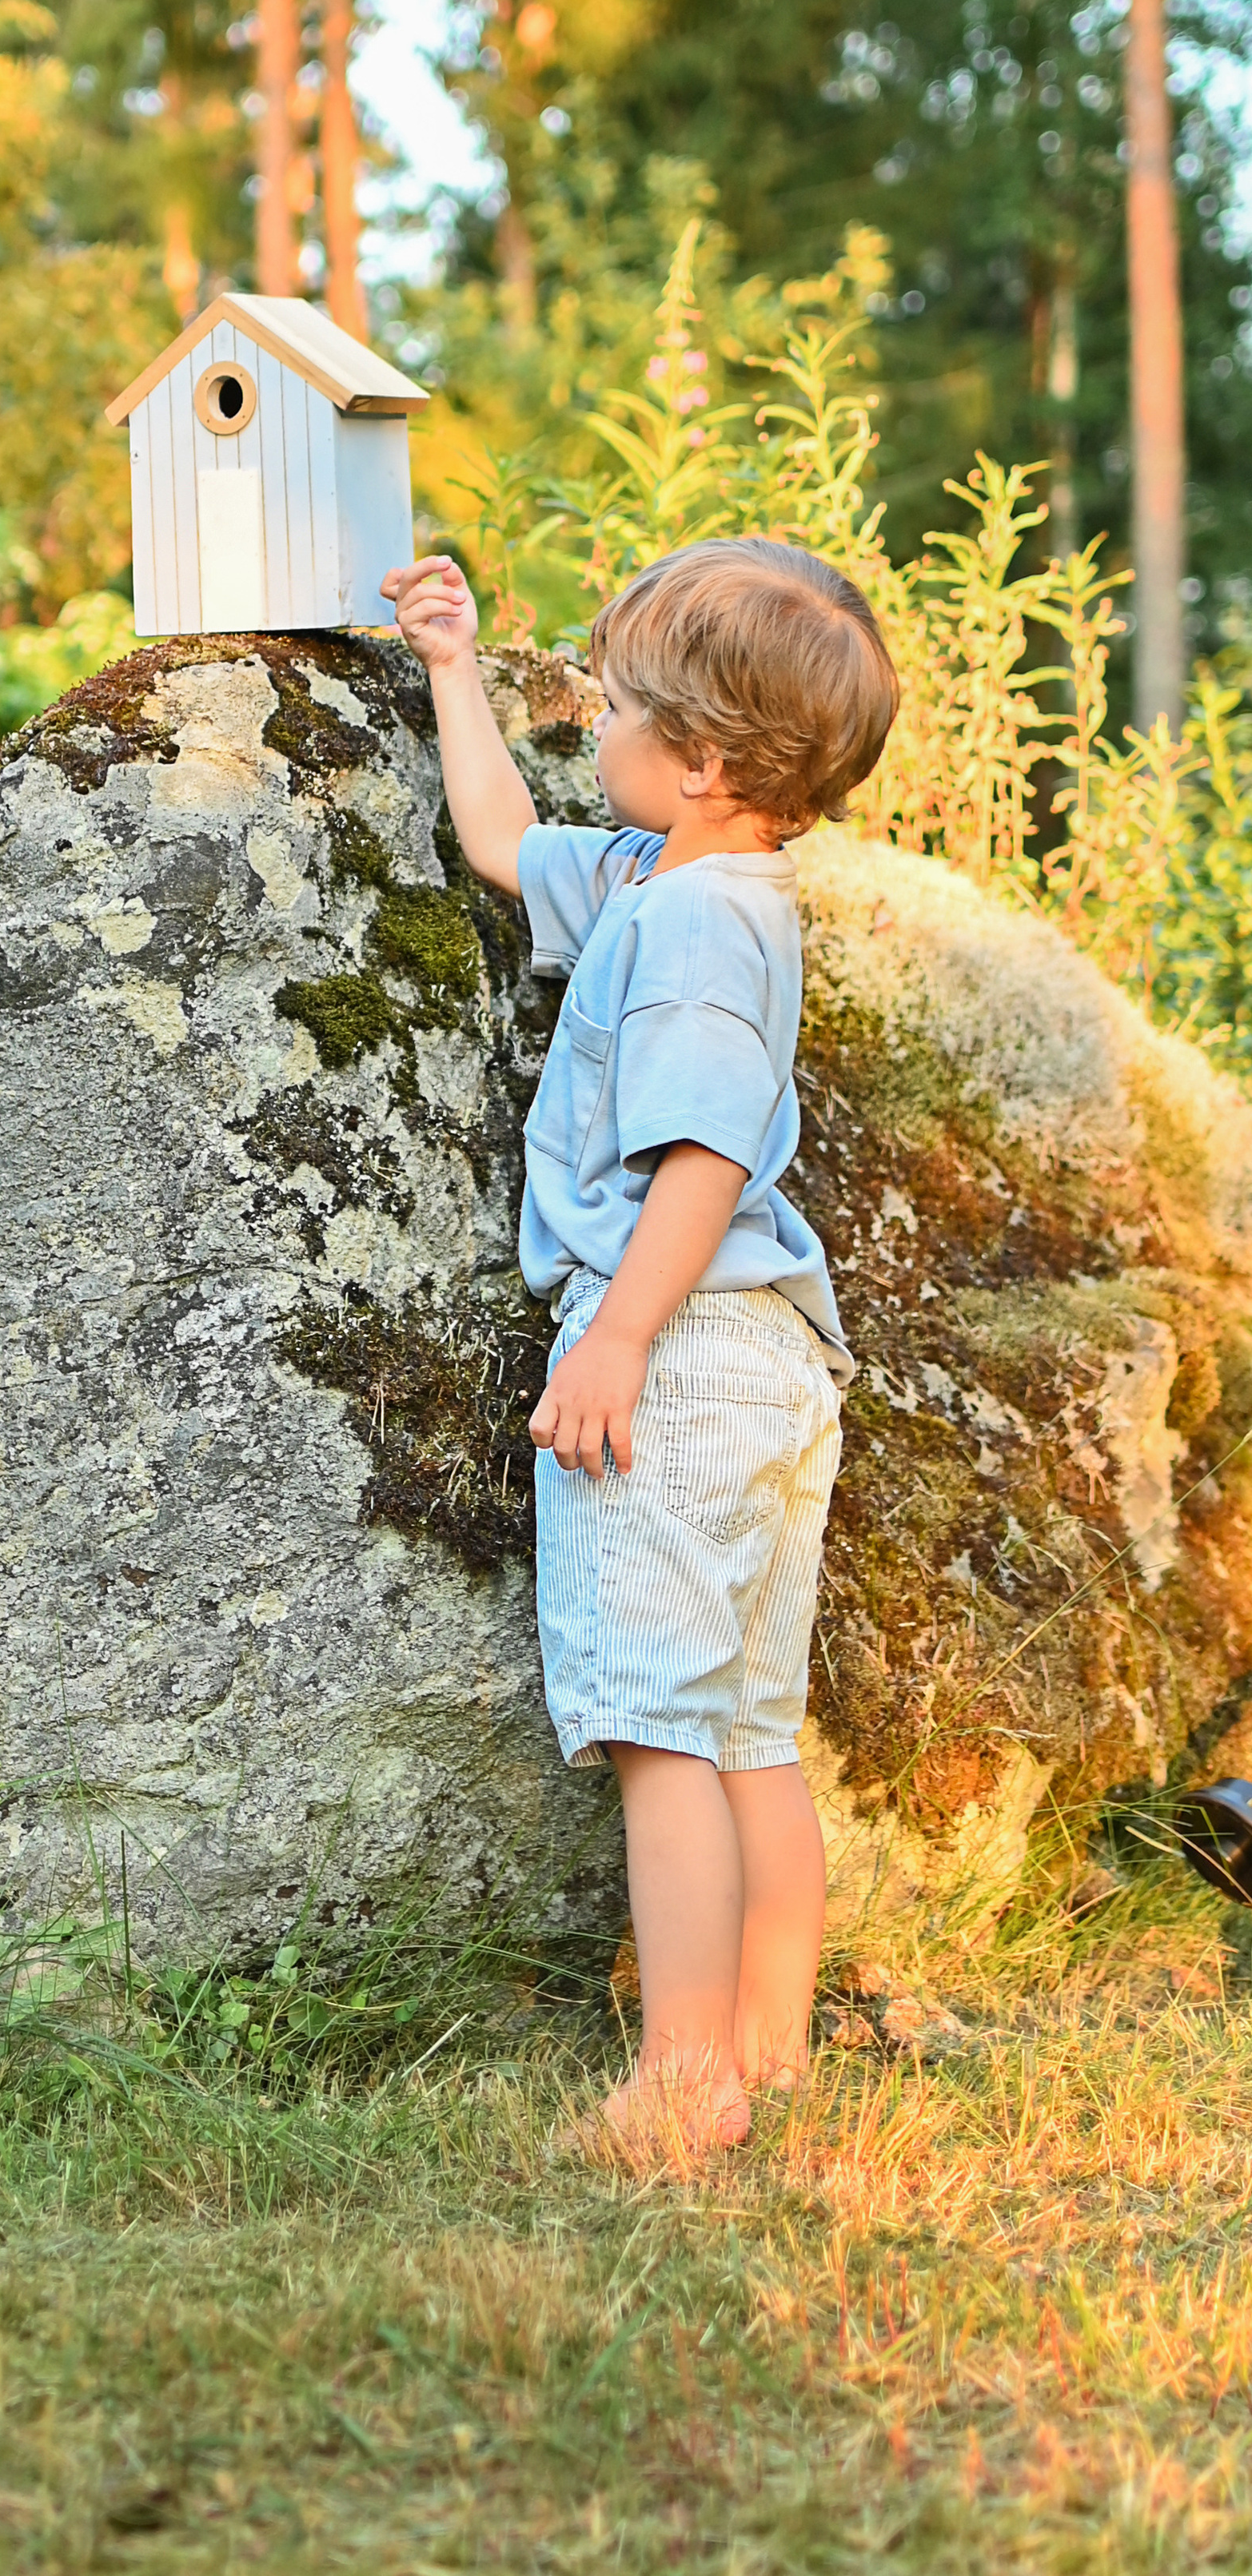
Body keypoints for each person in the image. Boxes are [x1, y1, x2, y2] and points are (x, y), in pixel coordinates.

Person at [381, 536, 899, 2147]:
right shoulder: (661, 877)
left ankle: (681, 2086)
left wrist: (607, 1343)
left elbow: (700, 1161)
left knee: (656, 1735)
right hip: (763, 1364)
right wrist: (449, 668)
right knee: (746, 1731)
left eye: (609, 711)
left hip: (674, 1360)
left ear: (704, 763)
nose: (585, 727)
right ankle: (769, 2050)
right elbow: (498, 840)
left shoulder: (691, 937)